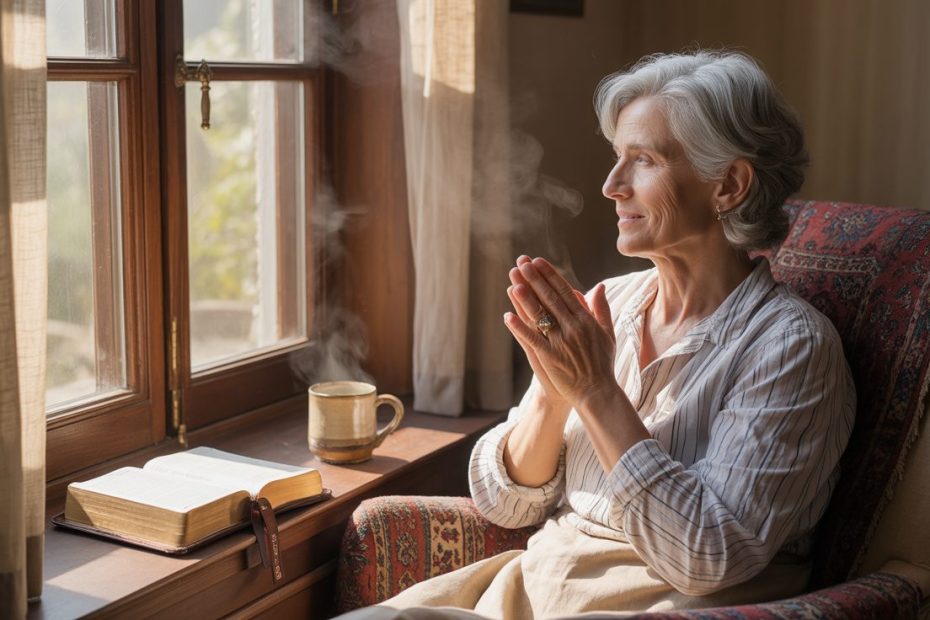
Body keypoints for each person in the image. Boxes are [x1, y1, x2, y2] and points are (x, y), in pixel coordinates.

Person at [346, 49, 855, 619]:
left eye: (643, 160)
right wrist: (553, 394)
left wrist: (595, 391)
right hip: (527, 594)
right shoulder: (610, 303)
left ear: (729, 184)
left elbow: (707, 557)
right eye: (617, 158)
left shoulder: (791, 348)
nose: (613, 185)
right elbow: (502, 504)